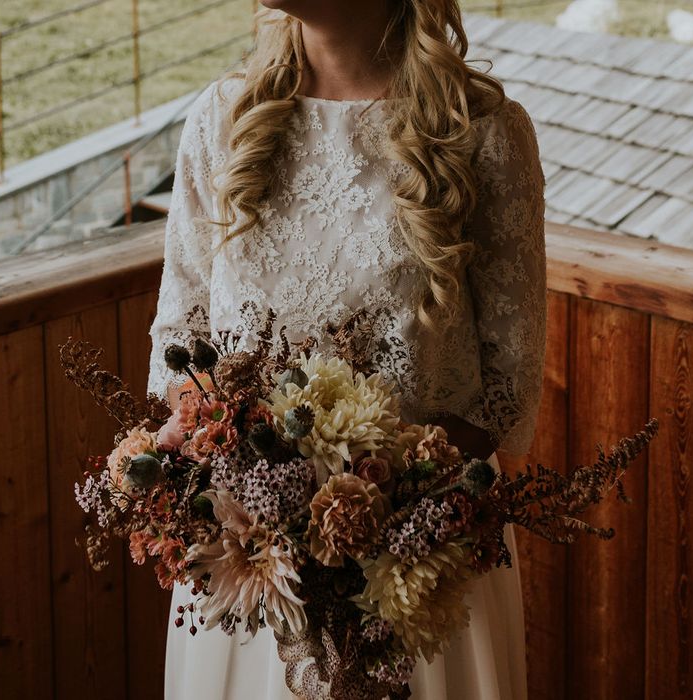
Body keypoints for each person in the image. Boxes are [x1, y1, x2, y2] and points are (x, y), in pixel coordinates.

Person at [147, 1, 547, 697]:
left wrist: (375, 516)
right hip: (247, 561)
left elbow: (505, 382)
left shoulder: (482, 132)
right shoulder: (222, 119)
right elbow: (182, 336)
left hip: (416, 566)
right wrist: (252, 492)